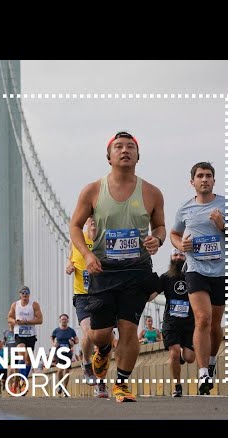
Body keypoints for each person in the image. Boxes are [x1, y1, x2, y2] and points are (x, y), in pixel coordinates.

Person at [69, 131, 165, 403]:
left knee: (128, 328)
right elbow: (75, 226)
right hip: (103, 269)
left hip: (137, 269)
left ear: (138, 155)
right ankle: (101, 352)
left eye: (130, 147)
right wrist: (87, 255)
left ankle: (121, 384)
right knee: (100, 334)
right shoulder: (92, 190)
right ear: (108, 156)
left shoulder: (152, 192)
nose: (125, 150)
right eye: (119, 147)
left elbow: (160, 227)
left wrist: (156, 239)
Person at [171, 161, 228, 395]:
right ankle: (203, 372)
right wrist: (181, 245)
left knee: (215, 325)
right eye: (200, 176)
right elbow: (174, 234)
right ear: (192, 182)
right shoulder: (185, 209)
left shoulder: (227, 205)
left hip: (221, 272)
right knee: (202, 319)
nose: (204, 179)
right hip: (195, 270)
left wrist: (223, 226)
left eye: (208, 176)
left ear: (214, 180)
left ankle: (212, 361)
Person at [66, 215, 109, 398]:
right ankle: (85, 362)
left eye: (96, 218)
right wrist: (69, 265)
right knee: (90, 332)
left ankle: (101, 383)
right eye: (90, 218)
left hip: (104, 294)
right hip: (83, 295)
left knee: (103, 340)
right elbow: (71, 259)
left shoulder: (106, 239)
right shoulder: (77, 239)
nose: (93, 220)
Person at [149, 248, 196, 397]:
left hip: (189, 323)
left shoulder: (193, 276)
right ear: (171, 257)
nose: (178, 258)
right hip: (171, 322)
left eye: (181, 255)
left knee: (189, 358)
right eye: (175, 255)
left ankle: (182, 356)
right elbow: (151, 296)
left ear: (186, 258)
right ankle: (177, 385)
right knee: (174, 352)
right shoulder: (165, 278)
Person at [6, 286, 43, 387]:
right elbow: (9, 317)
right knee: (22, 351)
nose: (25, 295)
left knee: (28, 359)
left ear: (29, 294)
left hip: (31, 334)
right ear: (20, 295)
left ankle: (23, 378)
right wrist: (15, 322)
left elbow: (40, 320)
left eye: (26, 293)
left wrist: (26, 322)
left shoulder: (34, 305)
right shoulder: (15, 305)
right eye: (23, 293)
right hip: (19, 334)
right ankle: (21, 378)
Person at [51, 314, 79, 396]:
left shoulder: (71, 331)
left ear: (68, 320)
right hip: (59, 352)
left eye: (65, 319)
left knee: (66, 370)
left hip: (68, 352)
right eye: (62, 319)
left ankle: (65, 388)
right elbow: (52, 337)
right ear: (60, 321)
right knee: (60, 370)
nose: (64, 320)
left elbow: (77, 340)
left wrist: (73, 342)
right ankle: (60, 384)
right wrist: (53, 343)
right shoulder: (56, 330)